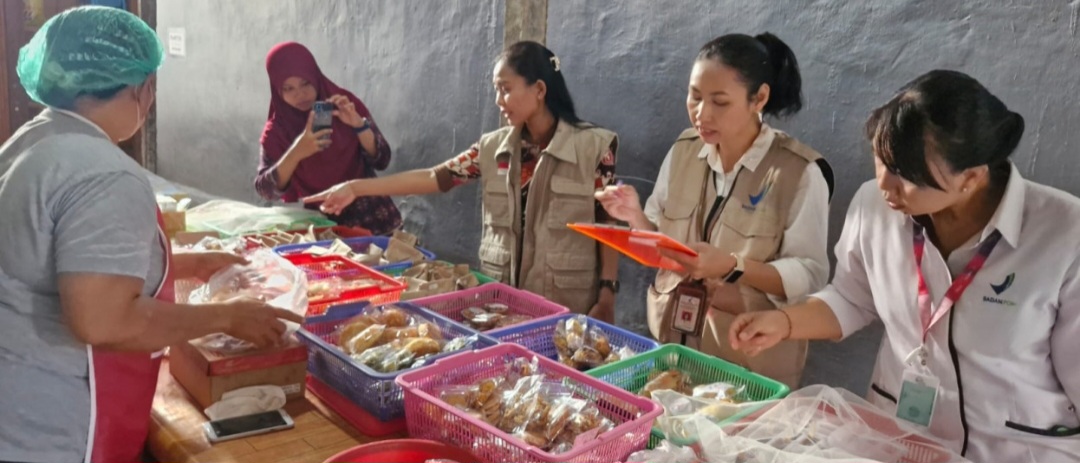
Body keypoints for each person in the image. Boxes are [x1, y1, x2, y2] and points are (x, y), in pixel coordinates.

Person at [728, 70, 1080, 462]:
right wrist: (784, 323)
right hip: (899, 442)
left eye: (906, 175)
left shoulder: (1064, 235)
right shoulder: (875, 206)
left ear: (972, 177)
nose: (884, 185)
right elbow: (851, 297)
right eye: (881, 161)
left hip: (1013, 451)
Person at [0, 8, 303, 463]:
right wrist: (226, 317)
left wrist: (186, 265)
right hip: (53, 431)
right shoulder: (103, 173)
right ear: (140, 88)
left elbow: (64, 265)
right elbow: (102, 320)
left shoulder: (34, 140)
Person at [305, 41, 621, 320]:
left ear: (539, 89)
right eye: (496, 89)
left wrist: (607, 294)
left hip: (570, 308)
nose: (499, 99)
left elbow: (609, 224)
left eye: (506, 88)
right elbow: (435, 177)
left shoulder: (594, 147)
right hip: (504, 308)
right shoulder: (493, 149)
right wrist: (356, 188)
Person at [597, 33, 833, 388]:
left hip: (748, 365)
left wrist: (732, 266)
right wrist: (635, 218)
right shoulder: (684, 150)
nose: (701, 114)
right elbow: (663, 244)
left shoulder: (798, 172)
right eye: (694, 96)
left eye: (720, 102)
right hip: (675, 347)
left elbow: (809, 274)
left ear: (760, 98)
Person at [255, 42, 402, 235]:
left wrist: (358, 125)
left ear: (315, 76)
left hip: (376, 220)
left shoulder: (344, 104)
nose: (299, 94)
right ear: (277, 90)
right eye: (288, 88)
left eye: (305, 83)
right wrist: (297, 152)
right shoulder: (277, 132)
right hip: (324, 227)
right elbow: (266, 190)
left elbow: (383, 160)